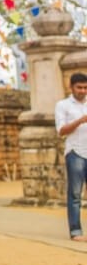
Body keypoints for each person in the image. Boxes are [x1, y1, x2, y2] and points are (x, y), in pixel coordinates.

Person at [54, 72, 87, 242]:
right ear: (71, 87)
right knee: (75, 194)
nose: (82, 91)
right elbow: (61, 131)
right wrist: (80, 120)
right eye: (79, 87)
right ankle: (75, 231)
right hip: (75, 152)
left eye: (85, 87)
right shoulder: (63, 105)